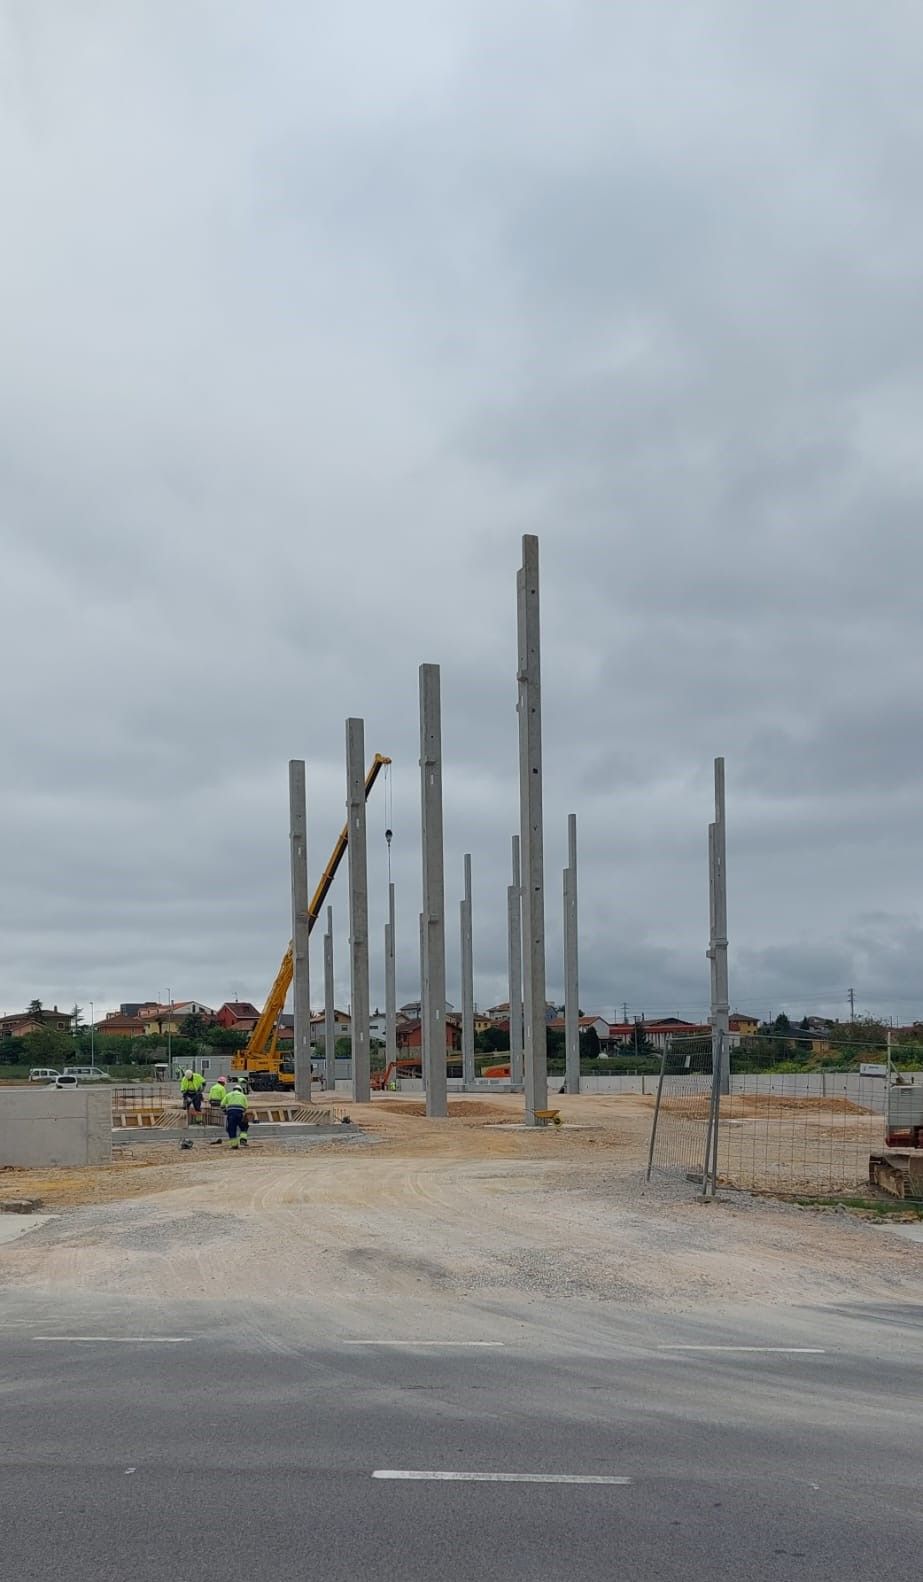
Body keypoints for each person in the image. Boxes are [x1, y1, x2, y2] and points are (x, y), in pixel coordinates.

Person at [221, 1079, 250, 1149]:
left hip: (231, 1113)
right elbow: (246, 1107)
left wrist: (225, 1111)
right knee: (244, 1127)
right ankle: (243, 1140)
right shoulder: (243, 1095)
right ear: (240, 1090)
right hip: (240, 1113)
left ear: (233, 1089)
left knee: (232, 1129)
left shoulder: (228, 1095)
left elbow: (222, 1104)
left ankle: (234, 1145)